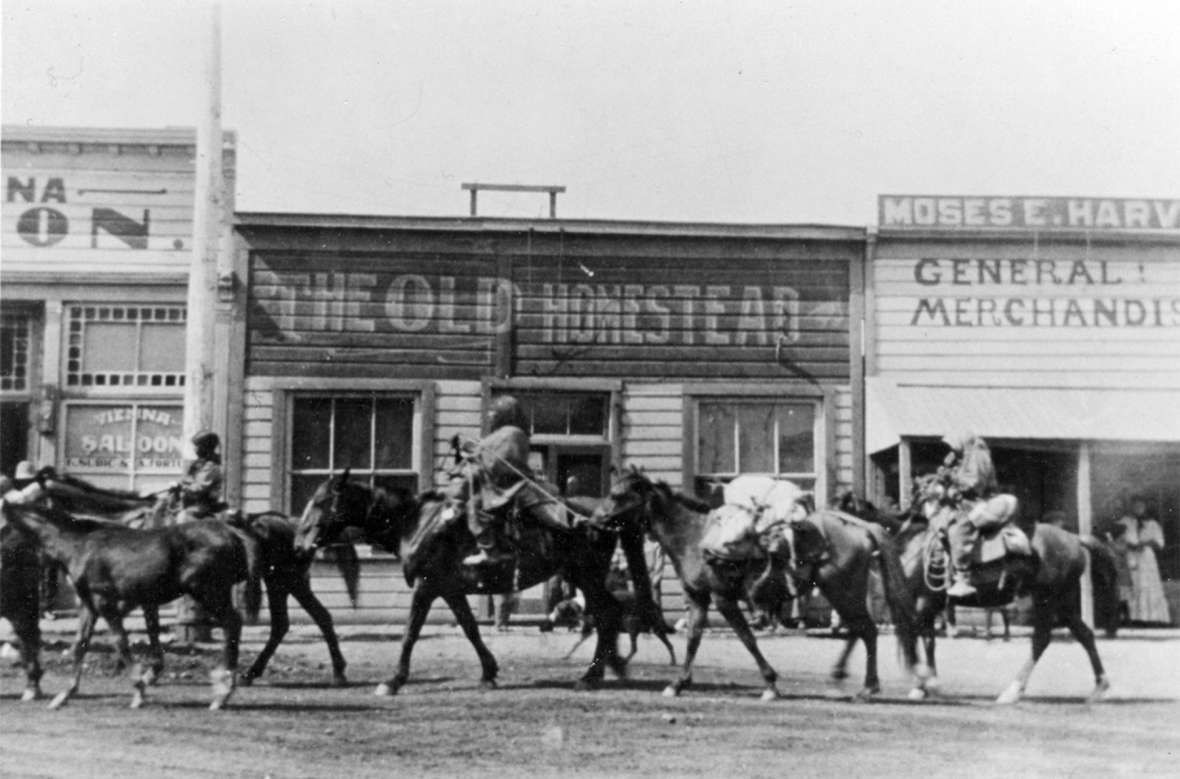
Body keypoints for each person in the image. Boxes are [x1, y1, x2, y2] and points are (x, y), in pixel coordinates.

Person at [447, 395, 581, 566]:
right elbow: (485, 449)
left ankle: (489, 551)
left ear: (505, 413)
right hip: (499, 484)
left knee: (474, 506)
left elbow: (501, 460)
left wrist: (475, 453)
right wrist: (467, 447)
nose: (490, 416)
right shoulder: (504, 433)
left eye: (494, 412)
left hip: (509, 486)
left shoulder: (512, 433)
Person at [939, 431, 1018, 598]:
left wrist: (952, 478)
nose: (952, 449)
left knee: (961, 527)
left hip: (985, 501)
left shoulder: (978, 453)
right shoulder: (965, 456)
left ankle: (963, 577)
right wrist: (947, 472)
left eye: (953, 444)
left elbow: (975, 483)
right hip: (971, 501)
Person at [1117, 495, 1171, 626]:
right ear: (1131, 507)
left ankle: (1153, 618)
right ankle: (1135, 617)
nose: (1138, 508)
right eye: (1135, 505)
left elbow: (1160, 543)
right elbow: (1118, 541)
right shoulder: (1125, 522)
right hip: (1131, 557)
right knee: (1134, 585)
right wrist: (1130, 545)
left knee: (1149, 585)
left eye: (1141, 506)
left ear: (1145, 507)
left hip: (1147, 558)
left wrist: (1146, 543)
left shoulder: (1152, 524)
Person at [173, 430, 225, 523]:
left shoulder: (211, 467)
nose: (195, 449)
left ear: (206, 448)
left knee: (182, 518)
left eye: (197, 446)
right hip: (190, 504)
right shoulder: (198, 464)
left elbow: (199, 488)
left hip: (202, 507)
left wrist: (183, 487)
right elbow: (188, 479)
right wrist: (179, 484)